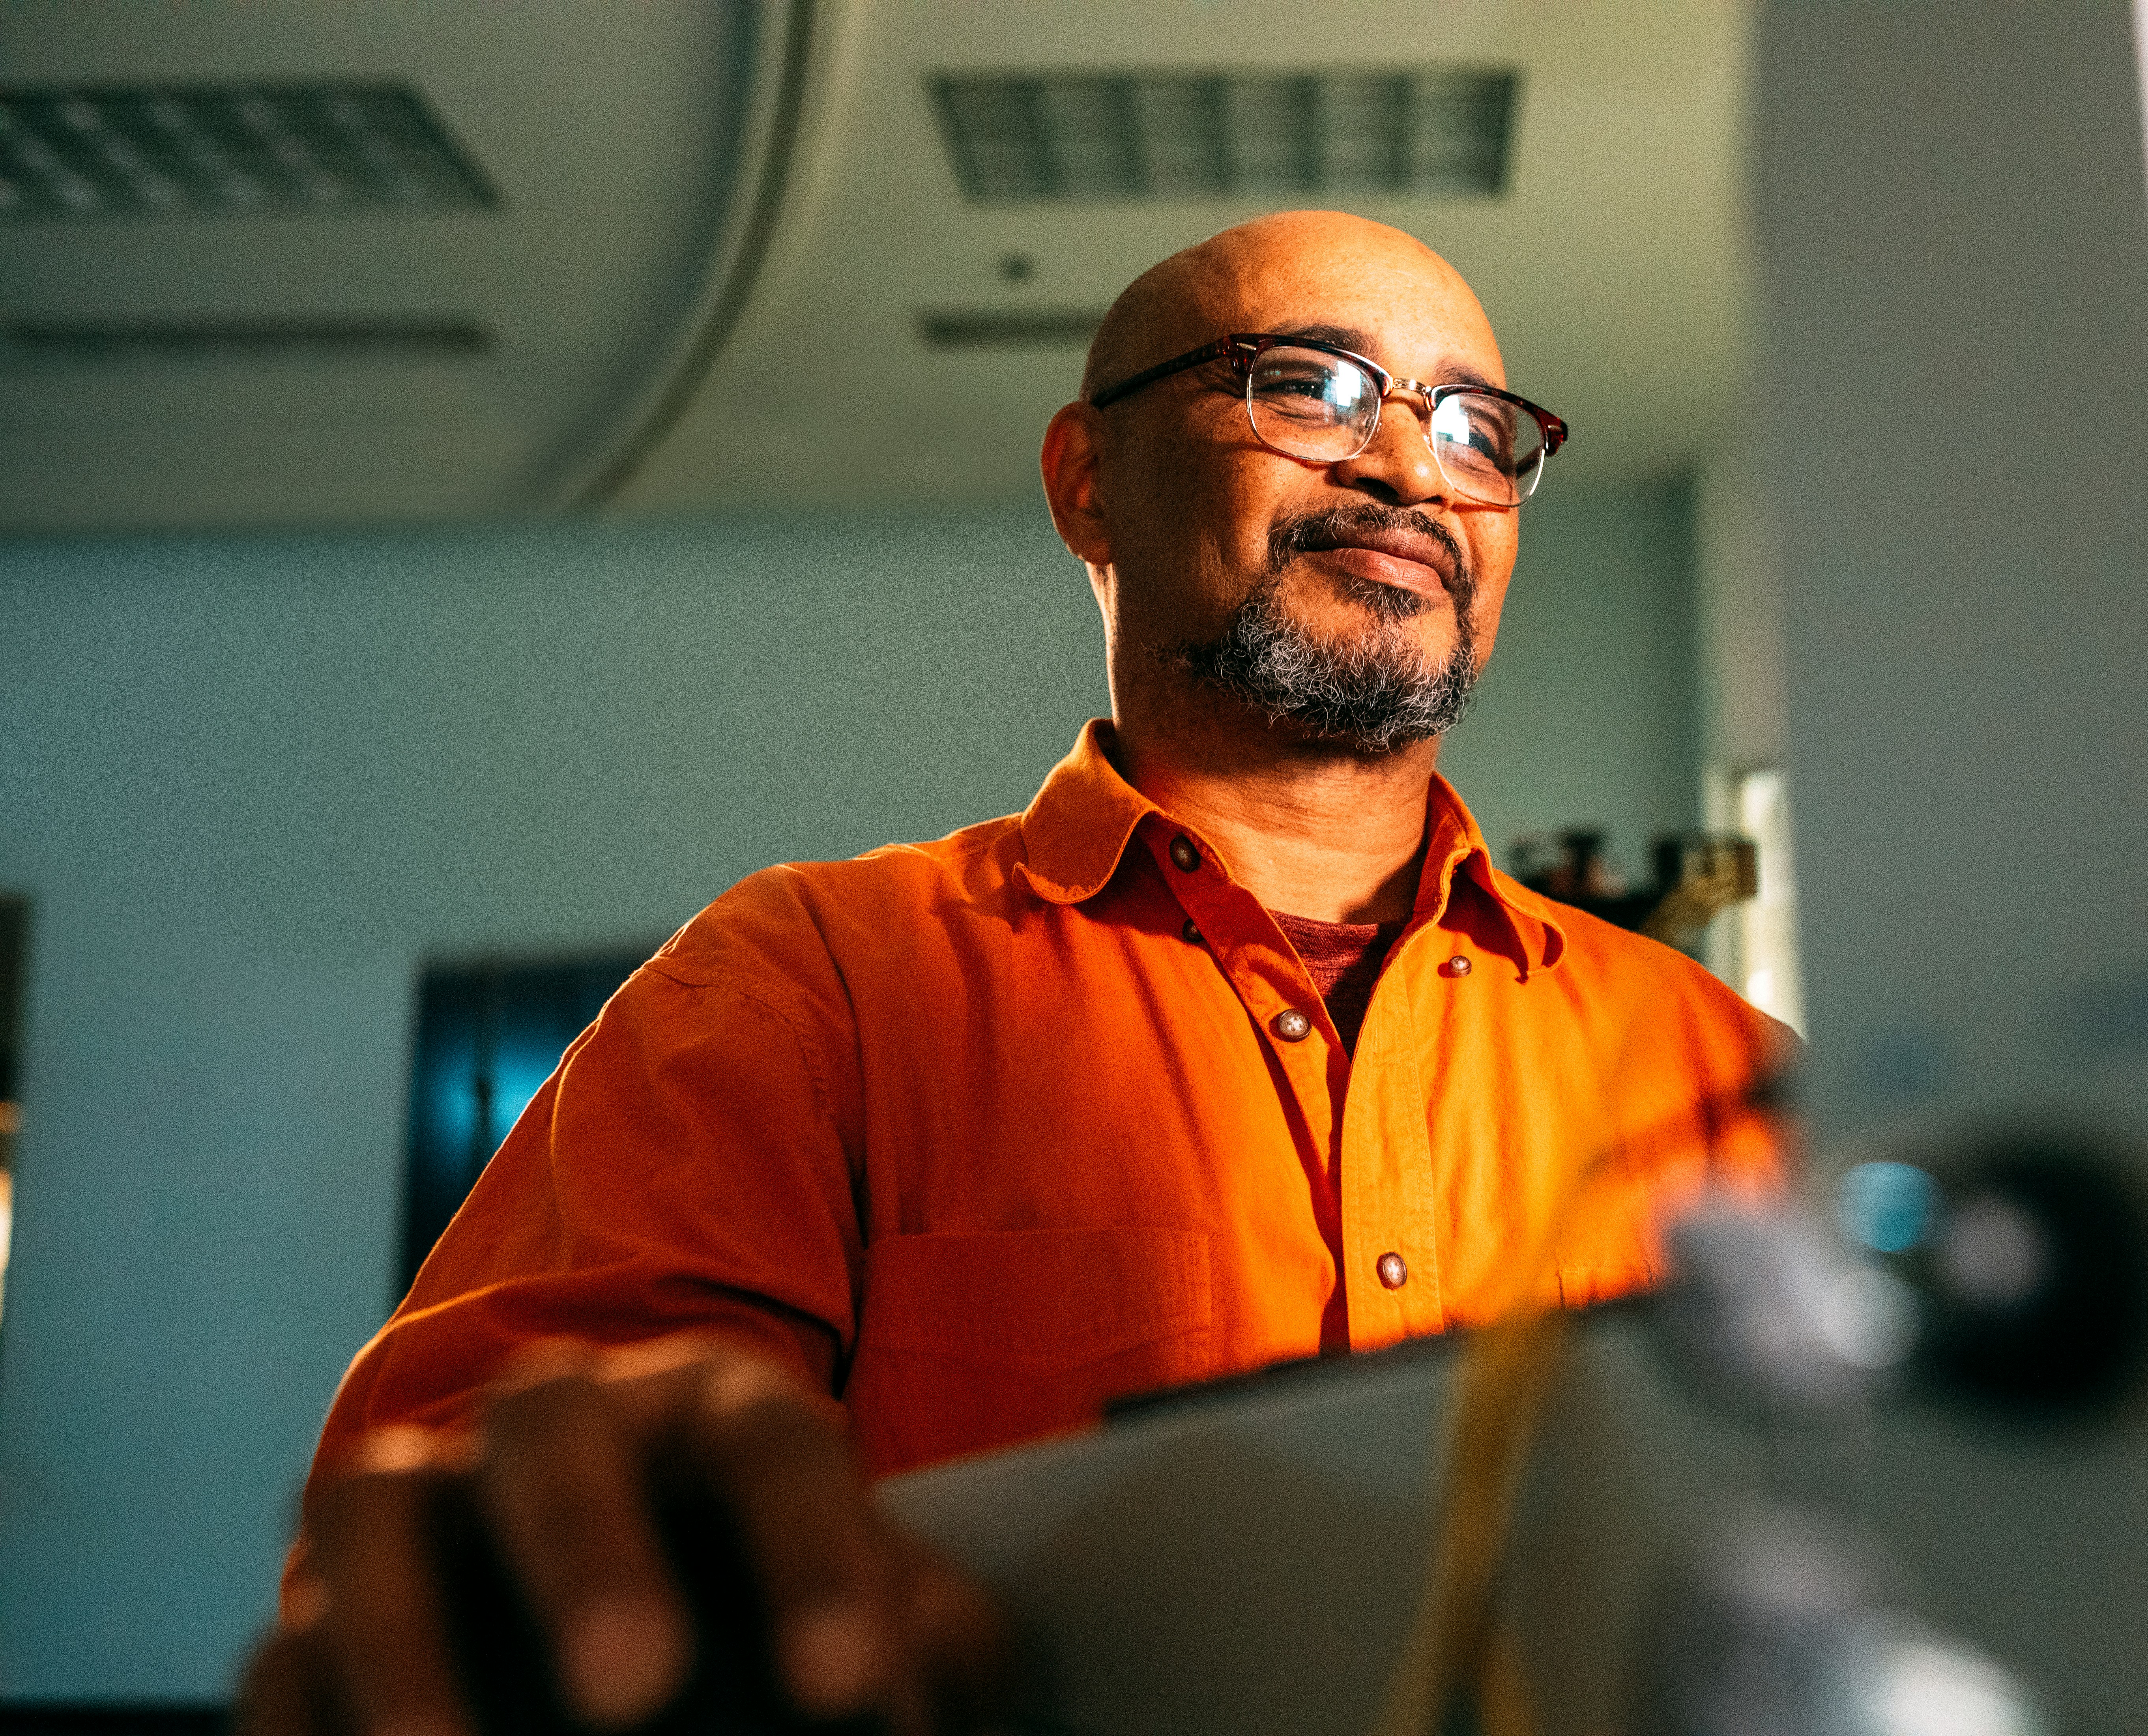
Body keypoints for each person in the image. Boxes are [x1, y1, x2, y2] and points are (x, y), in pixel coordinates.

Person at [241, 210, 1791, 1736]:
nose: (1405, 467)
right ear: (1085, 480)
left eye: (1476, 427)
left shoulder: (1720, 1069)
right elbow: (478, 1573)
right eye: (1310, 385)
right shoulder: (809, 990)